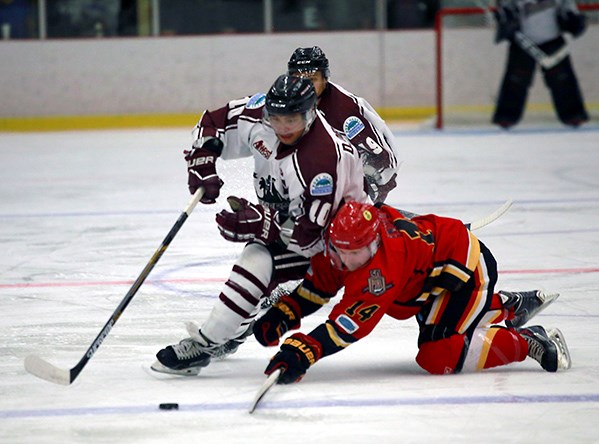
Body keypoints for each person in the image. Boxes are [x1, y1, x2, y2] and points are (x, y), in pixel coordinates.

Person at [151, 74, 370, 375]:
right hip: (299, 232)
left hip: (343, 248)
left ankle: (210, 341)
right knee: (257, 259)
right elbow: (215, 120)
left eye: (292, 120)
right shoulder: (260, 115)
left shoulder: (322, 159)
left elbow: (312, 235)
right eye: (276, 119)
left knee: (258, 260)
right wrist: (203, 157)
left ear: (311, 113)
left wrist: (264, 225)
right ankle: (221, 336)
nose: (283, 128)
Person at [254, 201, 571, 384]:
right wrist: (287, 312)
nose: (348, 261)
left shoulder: (380, 271)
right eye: (341, 252)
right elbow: (320, 284)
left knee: (439, 355)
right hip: (425, 285)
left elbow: (345, 327)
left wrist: (305, 351)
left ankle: (530, 339)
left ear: (375, 243)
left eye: (359, 253)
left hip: (465, 270)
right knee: (440, 325)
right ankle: (507, 306)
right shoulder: (343, 242)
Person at [287, 46, 401, 203]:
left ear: (325, 79)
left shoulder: (345, 111)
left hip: (370, 174)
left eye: (312, 79)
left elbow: (383, 159)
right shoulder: (288, 101)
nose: (305, 86)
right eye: (299, 79)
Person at [492, 0, 588, 128]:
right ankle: (507, 116)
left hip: (553, 38)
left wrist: (572, 17)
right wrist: (506, 17)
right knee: (515, 80)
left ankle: (573, 114)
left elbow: (567, 6)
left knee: (563, 79)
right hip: (522, 40)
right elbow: (505, 7)